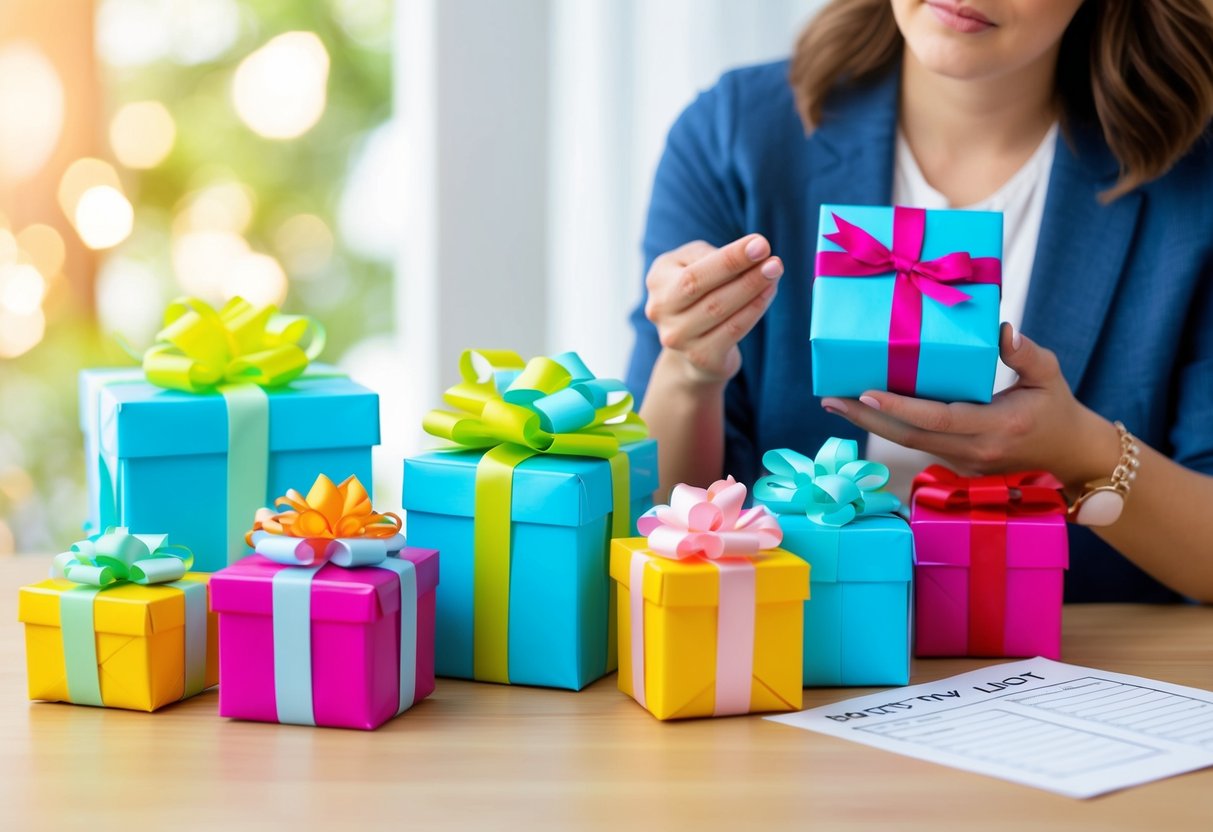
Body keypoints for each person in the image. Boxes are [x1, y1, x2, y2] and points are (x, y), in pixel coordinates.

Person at [625, 0, 1213, 603]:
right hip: (796, 657)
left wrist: (1078, 451)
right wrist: (691, 370)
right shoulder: (735, 135)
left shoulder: (1196, 181)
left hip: (1074, 664)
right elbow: (656, 530)